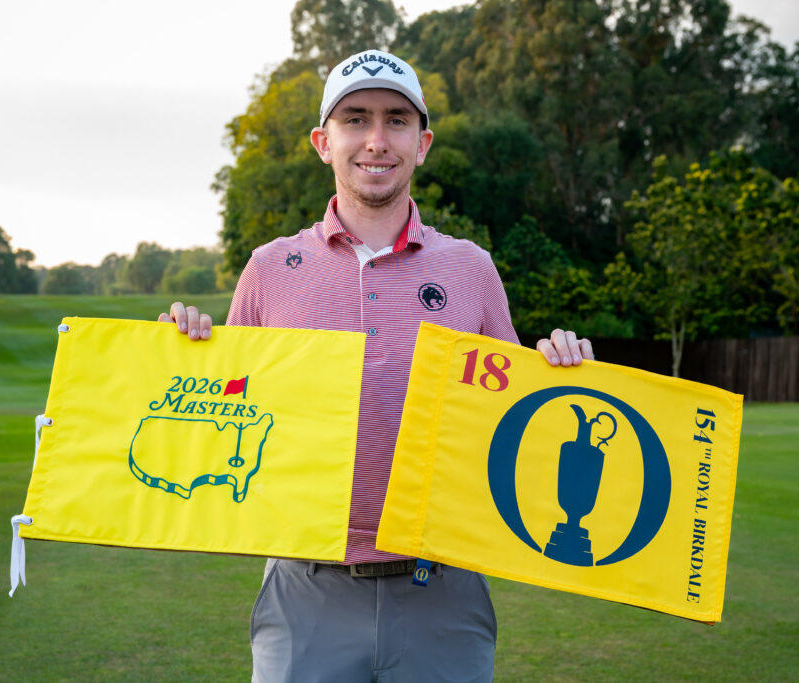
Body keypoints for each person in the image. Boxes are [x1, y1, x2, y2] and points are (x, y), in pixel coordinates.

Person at [161, 49, 594, 683]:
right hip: (306, 590)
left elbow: (514, 420)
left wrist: (561, 373)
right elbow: (227, 413)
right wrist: (180, 360)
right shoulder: (270, 268)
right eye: (355, 119)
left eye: (396, 120)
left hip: (443, 590)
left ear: (422, 144)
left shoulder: (471, 268)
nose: (376, 139)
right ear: (323, 142)